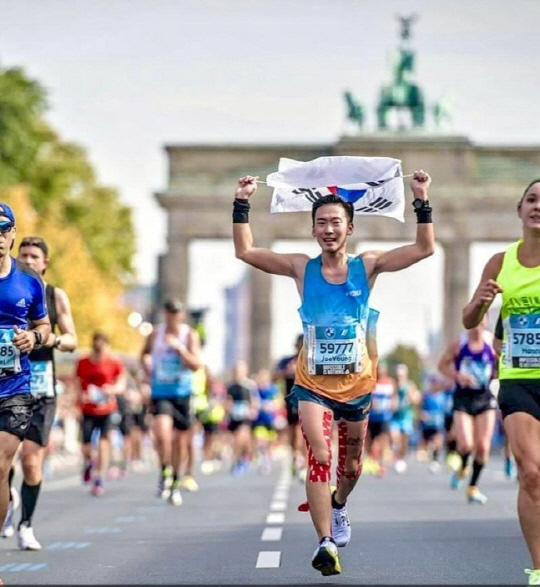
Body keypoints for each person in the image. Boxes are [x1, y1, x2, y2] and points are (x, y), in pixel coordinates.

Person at [232, 170, 434, 576]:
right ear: (312, 230)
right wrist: (242, 203)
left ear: (349, 228)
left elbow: (424, 248)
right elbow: (246, 251)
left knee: (352, 466)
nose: (328, 229)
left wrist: (421, 198)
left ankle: (339, 504)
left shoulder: (369, 265)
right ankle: (325, 542)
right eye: (321, 223)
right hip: (312, 385)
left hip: (357, 385)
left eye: (335, 222)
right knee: (320, 456)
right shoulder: (300, 268)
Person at [462, 178, 540, 585]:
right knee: (531, 473)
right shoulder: (500, 261)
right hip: (518, 380)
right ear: (519, 209)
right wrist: (481, 303)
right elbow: (469, 320)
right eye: (531, 199)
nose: (538, 206)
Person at [1, 236, 77, 550]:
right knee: (6, 460)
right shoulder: (12, 282)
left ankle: (26, 524)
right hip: (11, 377)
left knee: (32, 461)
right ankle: (7, 489)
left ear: (45, 262)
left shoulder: (52, 294)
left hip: (39, 385)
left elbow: (71, 338)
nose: (29, 261)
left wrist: (46, 339)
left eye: (36, 257)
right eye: (26, 255)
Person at [0, 204, 51, 582]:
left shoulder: (30, 280)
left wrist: (33, 337)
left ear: (12, 233)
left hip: (14, 387)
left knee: (1, 467)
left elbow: (44, 326)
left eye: (3, 229)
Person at [140, 298, 201, 506]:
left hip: (182, 393)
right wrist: (147, 365)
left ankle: (175, 480)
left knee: (180, 442)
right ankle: (164, 470)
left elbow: (196, 365)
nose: (172, 316)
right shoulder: (156, 334)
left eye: (176, 312)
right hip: (161, 391)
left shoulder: (189, 335)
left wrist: (180, 350)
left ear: (181, 314)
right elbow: (144, 355)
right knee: (162, 433)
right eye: (169, 312)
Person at [438, 317, 497, 504]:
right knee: (465, 445)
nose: (477, 327)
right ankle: (463, 466)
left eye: (481, 322)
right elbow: (442, 365)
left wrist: (497, 375)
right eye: (474, 323)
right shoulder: (460, 343)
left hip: (484, 397)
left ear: (486, 322)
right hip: (463, 398)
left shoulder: (491, 341)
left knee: (483, 447)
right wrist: (458, 376)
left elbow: (503, 363)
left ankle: (472, 487)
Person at [75, 331, 126, 496]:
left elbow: (121, 383)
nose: (99, 352)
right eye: (96, 349)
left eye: (102, 349)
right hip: (88, 408)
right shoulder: (83, 362)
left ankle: (99, 478)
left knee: (104, 442)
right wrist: (80, 396)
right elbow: (77, 381)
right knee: (87, 446)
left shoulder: (114, 362)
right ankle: (90, 462)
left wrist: (112, 389)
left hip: (107, 408)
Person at [273, 334, 307, 480]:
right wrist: (286, 372)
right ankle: (296, 456)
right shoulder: (287, 361)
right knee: (294, 432)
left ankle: (304, 462)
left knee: (305, 432)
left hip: (309, 400)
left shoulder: (312, 360)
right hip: (292, 401)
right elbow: (273, 378)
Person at [389, 364, 417, 473]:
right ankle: (396, 456)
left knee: (404, 441)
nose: (399, 377)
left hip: (406, 416)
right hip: (395, 417)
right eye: (398, 375)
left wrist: (411, 396)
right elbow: (392, 400)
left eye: (401, 375)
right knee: (395, 437)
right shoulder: (394, 385)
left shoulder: (410, 385)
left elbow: (416, 399)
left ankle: (401, 458)